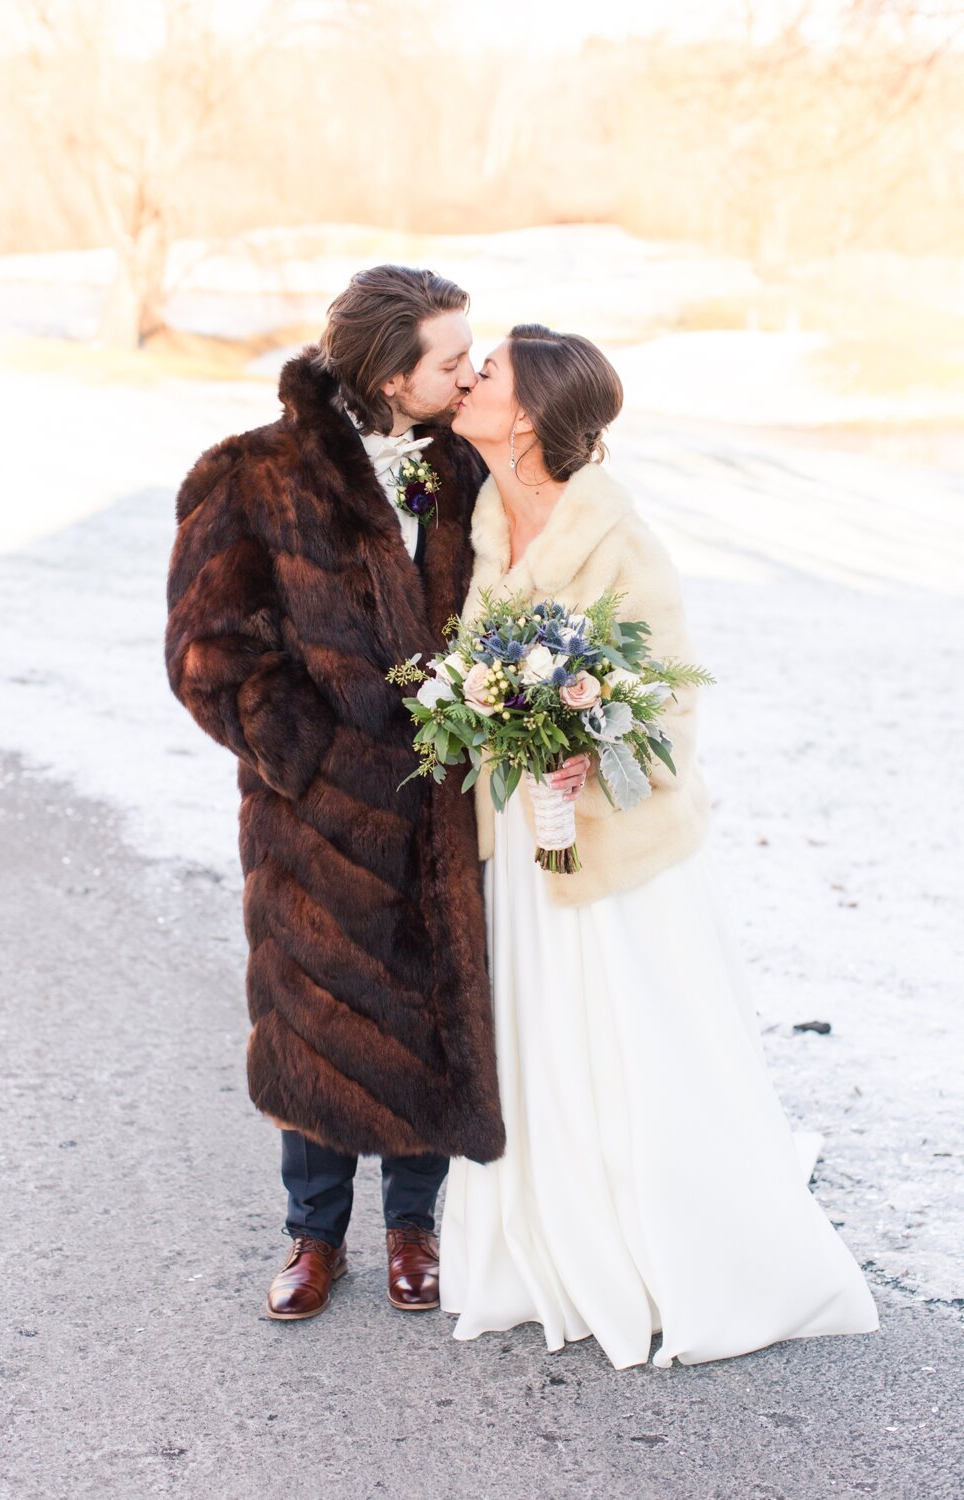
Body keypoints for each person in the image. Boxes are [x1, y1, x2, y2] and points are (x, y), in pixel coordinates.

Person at [439, 323, 879, 1368]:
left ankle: (673, 1243)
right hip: (515, 843)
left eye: (488, 370)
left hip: (616, 855)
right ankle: (546, 1233)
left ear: (532, 414)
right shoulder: (484, 512)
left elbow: (669, 711)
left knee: (633, 1048)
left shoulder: (621, 540)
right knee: (539, 1042)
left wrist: (586, 764)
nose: (470, 379)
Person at [165, 266, 506, 1323]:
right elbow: (205, 650)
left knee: (436, 1005)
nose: (469, 372)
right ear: (391, 374)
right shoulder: (249, 474)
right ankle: (314, 1238)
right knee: (315, 1015)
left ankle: (414, 1228)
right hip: (314, 810)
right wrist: (301, 754)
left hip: (446, 805)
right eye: (449, 361)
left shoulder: (471, 466)